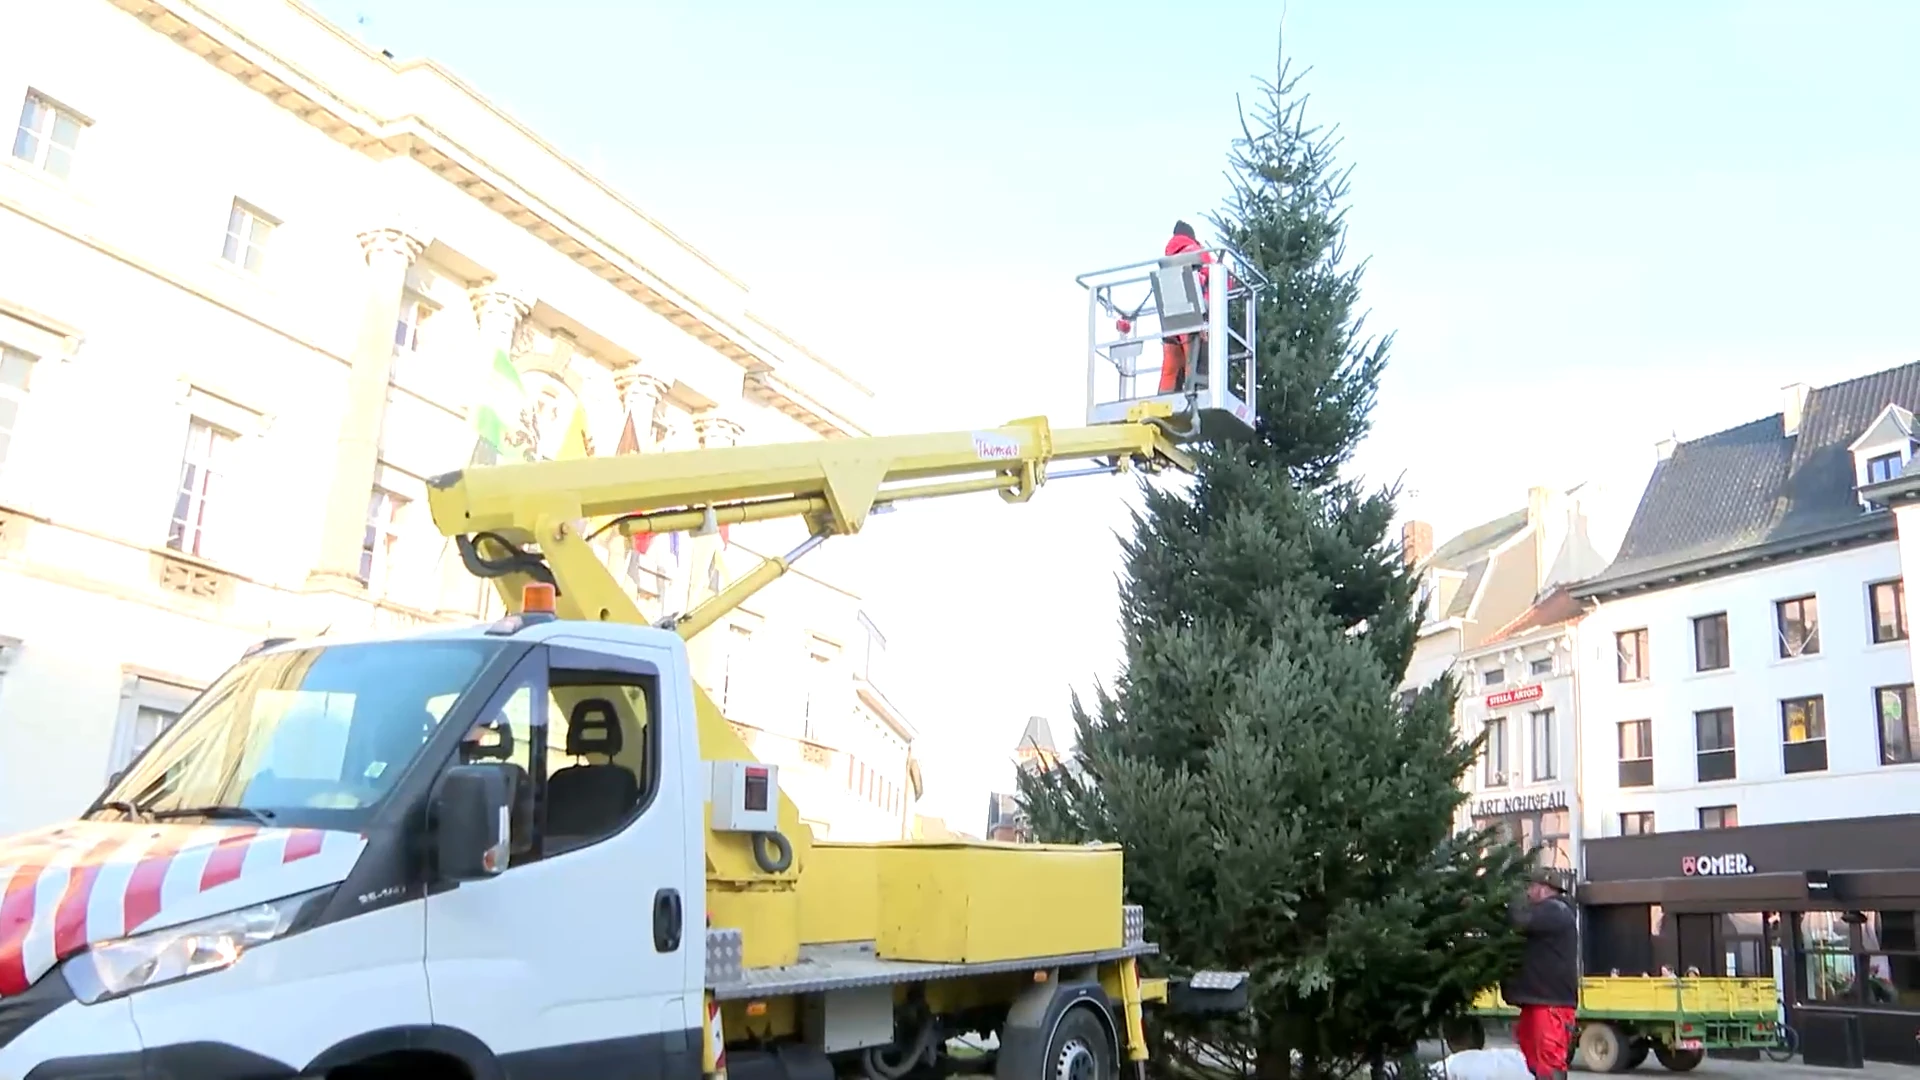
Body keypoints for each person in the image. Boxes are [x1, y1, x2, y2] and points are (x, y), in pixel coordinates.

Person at [1503, 866, 1579, 1080]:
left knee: (1549, 1062)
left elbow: (1520, 919)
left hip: (1550, 1005)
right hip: (1538, 1001)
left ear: (1544, 889)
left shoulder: (1556, 910)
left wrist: (1507, 899)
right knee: (1532, 1063)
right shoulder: (1548, 913)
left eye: (1530, 887)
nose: (1527, 893)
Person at [1157, 220, 1215, 394]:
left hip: (1171, 320)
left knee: (1171, 367)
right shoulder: (1199, 252)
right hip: (1196, 315)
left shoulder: (1167, 259)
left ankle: (1164, 398)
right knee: (1196, 361)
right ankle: (1196, 394)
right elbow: (1222, 281)